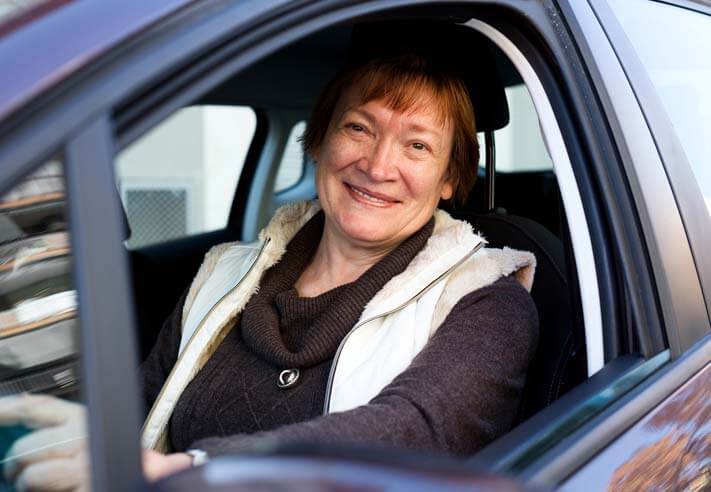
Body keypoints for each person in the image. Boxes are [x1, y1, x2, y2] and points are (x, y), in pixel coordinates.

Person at [0, 48, 538, 488]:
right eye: (359, 128)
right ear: (320, 141)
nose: (377, 166)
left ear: (449, 178)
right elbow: (141, 410)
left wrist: (194, 471)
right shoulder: (222, 274)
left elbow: (416, 430)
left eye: (417, 145)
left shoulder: (487, 299)